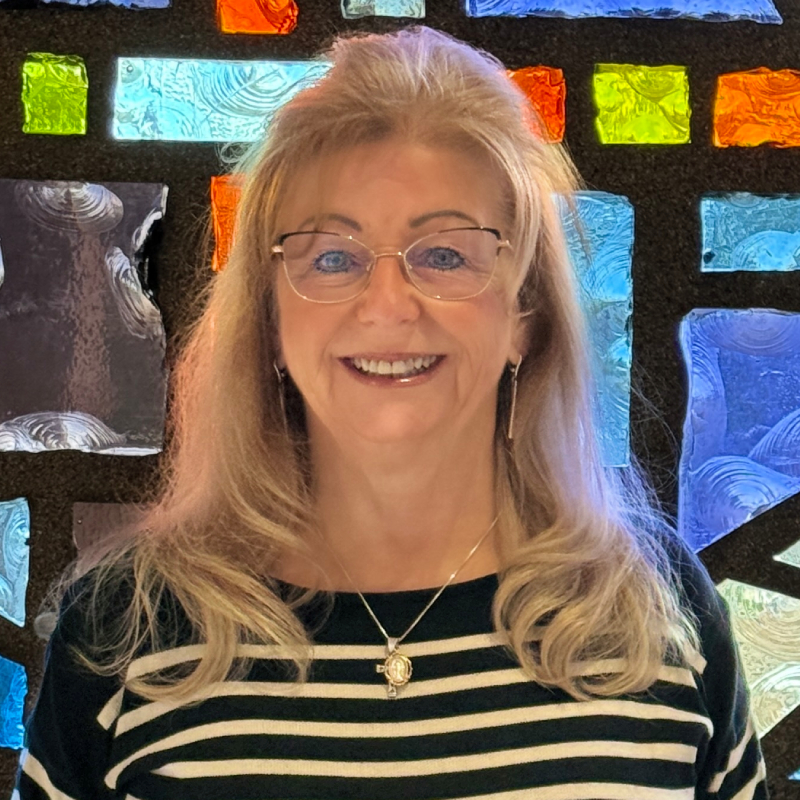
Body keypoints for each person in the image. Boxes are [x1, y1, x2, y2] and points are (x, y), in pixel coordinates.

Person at [14, 24, 768, 800]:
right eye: (332, 257)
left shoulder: (657, 613)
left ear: (525, 315)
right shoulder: (125, 629)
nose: (387, 304)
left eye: (444, 254)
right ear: (271, 321)